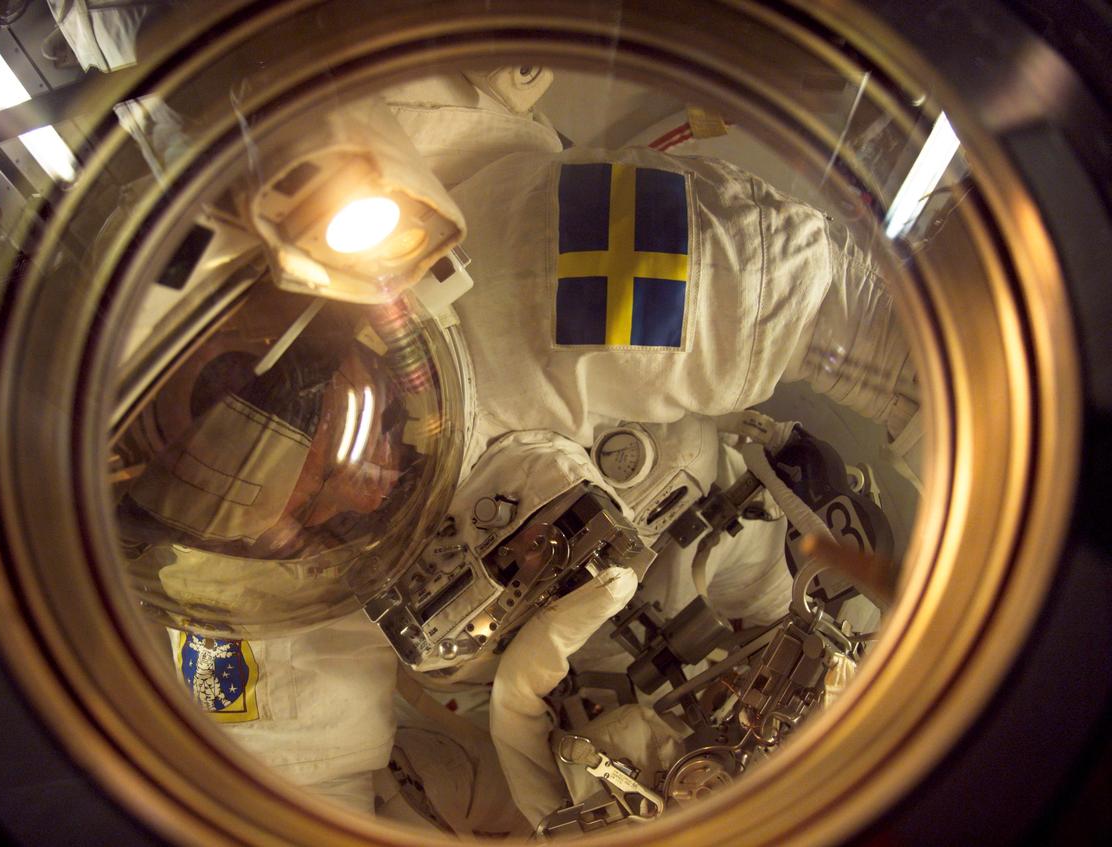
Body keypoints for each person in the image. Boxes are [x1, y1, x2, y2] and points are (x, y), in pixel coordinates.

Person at [114, 73, 917, 833]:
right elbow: (298, 789)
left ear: (337, 330)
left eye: (328, 464)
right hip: (558, 698)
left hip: (710, 532)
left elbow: (873, 327)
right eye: (298, 522)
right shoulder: (241, 593)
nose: (353, 506)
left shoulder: (562, 274)